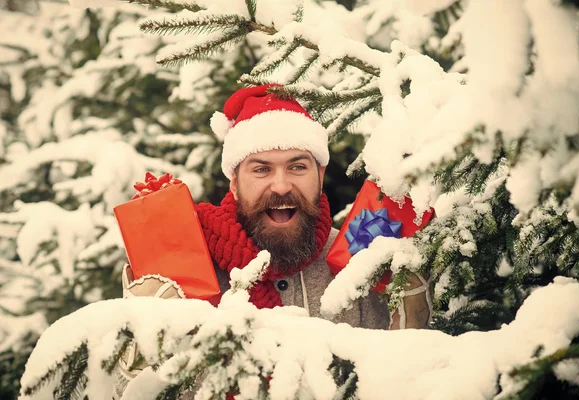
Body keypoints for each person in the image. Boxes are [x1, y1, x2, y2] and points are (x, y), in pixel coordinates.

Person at [114, 84, 431, 398]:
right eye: (262, 169)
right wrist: (139, 351)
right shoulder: (185, 270)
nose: (281, 186)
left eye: (297, 167)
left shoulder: (361, 262)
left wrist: (412, 332)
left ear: (319, 177)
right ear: (235, 184)